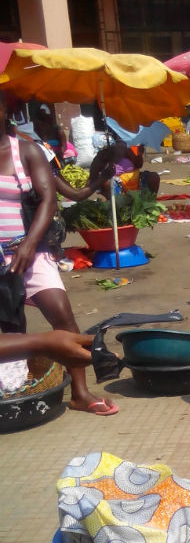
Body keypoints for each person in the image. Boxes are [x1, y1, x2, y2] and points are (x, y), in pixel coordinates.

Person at [0, 92, 117, 414]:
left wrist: (27, 245)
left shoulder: (26, 150)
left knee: (63, 316)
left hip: (30, 251)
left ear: (4, 111)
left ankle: (80, 391)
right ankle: (13, 389)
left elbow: (50, 199)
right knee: (11, 329)